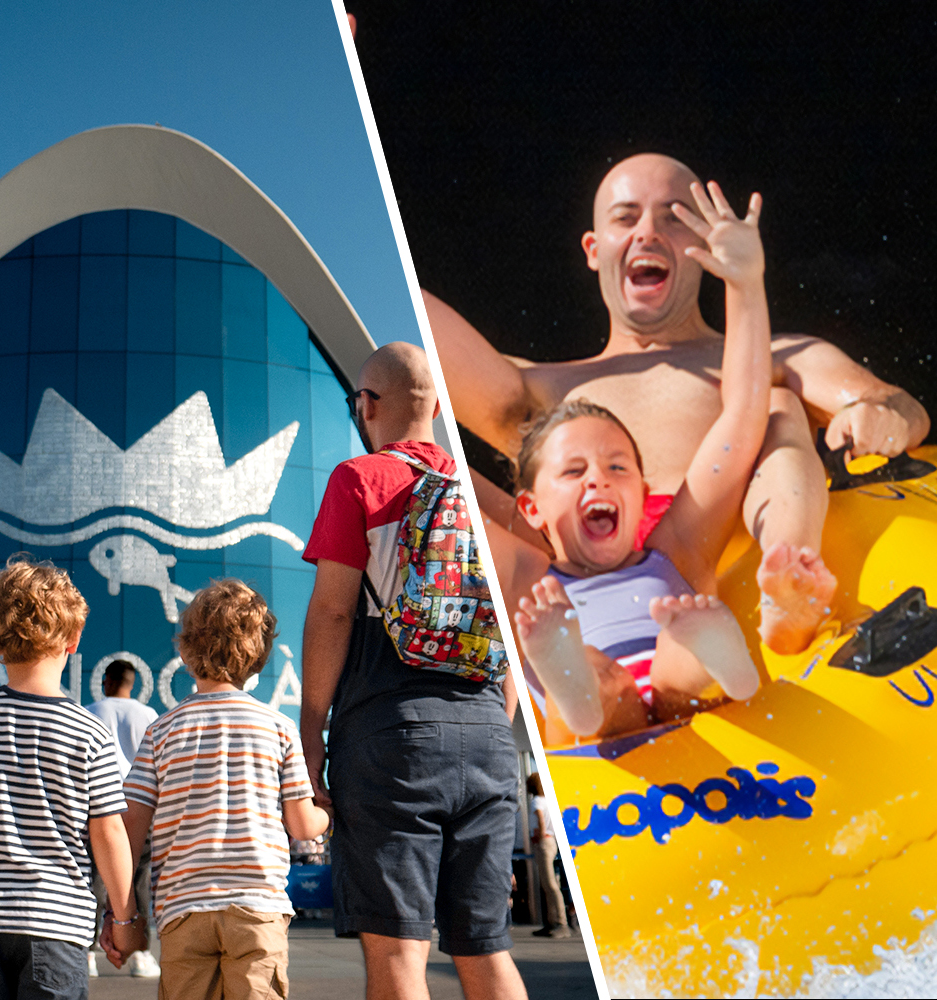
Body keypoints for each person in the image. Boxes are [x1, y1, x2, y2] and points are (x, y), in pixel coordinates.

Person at [426, 152, 931, 655]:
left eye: (674, 217)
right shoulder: (536, 388)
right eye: (626, 217)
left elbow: (887, 401)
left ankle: (790, 568)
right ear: (594, 248)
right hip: (574, 563)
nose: (648, 232)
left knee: (778, 405)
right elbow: (422, 335)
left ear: (706, 241)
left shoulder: (769, 357)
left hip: (710, 542)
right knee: (447, 472)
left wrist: (879, 417)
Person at [491, 179, 769, 737]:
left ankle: (720, 664)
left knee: (675, 652)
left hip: (677, 703)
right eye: (574, 472)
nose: (600, 479)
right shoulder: (529, 577)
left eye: (618, 467)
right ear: (532, 508)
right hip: (594, 717)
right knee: (598, 673)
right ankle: (575, 682)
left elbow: (741, 416)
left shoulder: (676, 549)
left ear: (644, 493)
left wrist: (745, 284)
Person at [301, 341, 529, 1000]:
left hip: (391, 736)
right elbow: (517, 629)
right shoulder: (483, 498)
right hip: (486, 732)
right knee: (487, 952)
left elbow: (334, 616)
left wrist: (313, 730)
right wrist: (493, 723)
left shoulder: (360, 479)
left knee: (401, 956)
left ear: (367, 406)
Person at [0, 557, 142, 999]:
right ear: (74, 639)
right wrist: (125, 919)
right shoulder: (88, 732)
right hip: (57, 926)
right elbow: (109, 833)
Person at [118, 579, 329, 999]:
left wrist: (123, 916)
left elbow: (129, 832)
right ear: (259, 658)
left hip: (183, 910)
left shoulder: (161, 732)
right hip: (257, 909)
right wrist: (326, 808)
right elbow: (304, 826)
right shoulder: (278, 729)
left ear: (185, 651)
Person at [86, 660, 159, 980]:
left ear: (106, 681)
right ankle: (139, 955)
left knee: (93, 880)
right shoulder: (149, 716)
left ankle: (86, 953)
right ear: (133, 683)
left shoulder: (89, 712)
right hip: (139, 807)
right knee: (138, 881)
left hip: (97, 806)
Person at [524, 774, 568, 938]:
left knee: (550, 884)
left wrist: (540, 836)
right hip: (551, 842)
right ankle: (551, 923)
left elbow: (540, 820)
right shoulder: (548, 801)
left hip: (544, 843)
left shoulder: (536, 802)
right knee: (549, 884)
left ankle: (560, 923)